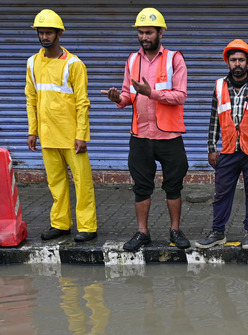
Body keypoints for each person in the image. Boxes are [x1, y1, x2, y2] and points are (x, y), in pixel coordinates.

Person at [102, 7, 190, 252]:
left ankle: (175, 230)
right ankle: (143, 233)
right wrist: (117, 98)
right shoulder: (132, 60)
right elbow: (128, 97)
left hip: (169, 136)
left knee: (173, 185)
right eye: (141, 33)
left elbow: (180, 96)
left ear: (160, 32)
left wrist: (151, 93)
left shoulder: (174, 59)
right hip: (140, 136)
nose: (144, 37)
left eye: (149, 32)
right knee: (141, 186)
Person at [195, 39, 248, 251]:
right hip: (229, 149)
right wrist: (211, 147)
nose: (237, 63)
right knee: (221, 193)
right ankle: (218, 232)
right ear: (227, 62)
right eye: (233, 60)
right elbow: (214, 119)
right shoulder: (220, 86)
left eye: (241, 59)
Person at [26, 9, 98, 243]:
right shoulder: (32, 63)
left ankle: (87, 226)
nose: (44, 37)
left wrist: (81, 135)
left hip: (70, 136)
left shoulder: (74, 64)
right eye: (41, 32)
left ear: (59, 34)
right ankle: (60, 223)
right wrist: (32, 130)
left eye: (49, 33)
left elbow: (82, 103)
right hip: (47, 136)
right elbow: (31, 98)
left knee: (82, 182)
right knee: (55, 183)